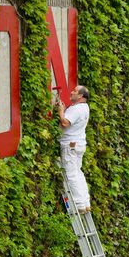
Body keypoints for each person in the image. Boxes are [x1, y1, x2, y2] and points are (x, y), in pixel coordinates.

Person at [57, 85, 91, 214]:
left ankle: (79, 205)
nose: (71, 92)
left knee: (71, 174)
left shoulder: (76, 109)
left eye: (75, 91)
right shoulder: (85, 107)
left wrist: (61, 111)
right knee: (78, 172)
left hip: (70, 145)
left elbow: (65, 123)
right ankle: (85, 202)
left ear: (81, 96)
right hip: (79, 144)